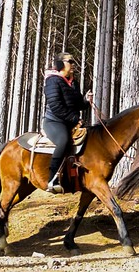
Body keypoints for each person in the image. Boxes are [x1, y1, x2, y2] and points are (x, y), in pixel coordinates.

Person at [42, 52, 92, 193]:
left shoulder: (72, 81)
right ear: (60, 64)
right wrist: (75, 119)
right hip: (54, 122)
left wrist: (85, 101)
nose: (73, 64)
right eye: (70, 61)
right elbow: (56, 106)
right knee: (63, 141)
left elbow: (78, 104)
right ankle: (52, 179)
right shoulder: (52, 80)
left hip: (70, 122)